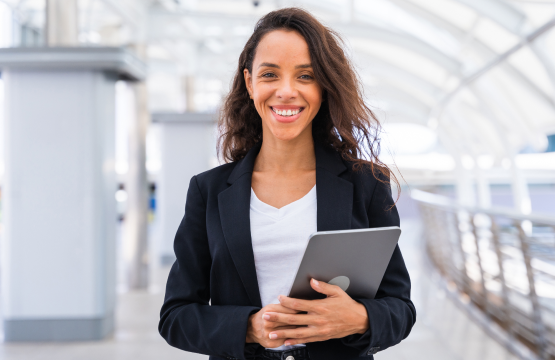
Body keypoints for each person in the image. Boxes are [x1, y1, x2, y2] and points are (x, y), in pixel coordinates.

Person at [159, 8, 415, 360]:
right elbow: (176, 316)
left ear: (323, 87)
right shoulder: (209, 192)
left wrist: (359, 319)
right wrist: (249, 327)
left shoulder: (365, 184)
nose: (286, 91)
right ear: (250, 84)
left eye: (305, 76)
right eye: (269, 74)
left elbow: (400, 307)